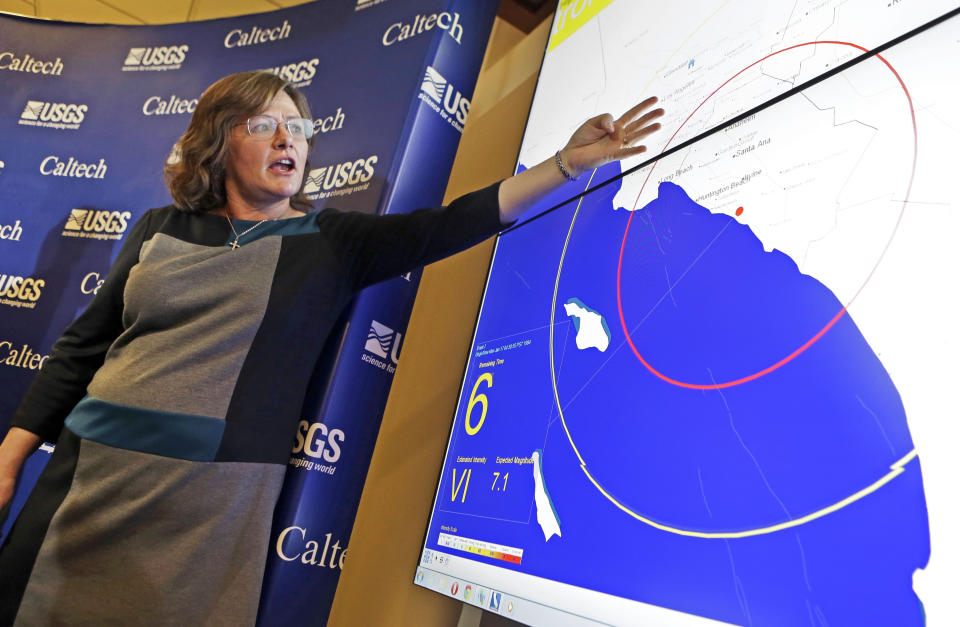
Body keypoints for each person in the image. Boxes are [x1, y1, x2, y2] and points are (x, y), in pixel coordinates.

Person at [0, 70, 663, 625]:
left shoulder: (332, 242)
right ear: (218, 141)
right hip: (84, 486)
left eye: (298, 127)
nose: (288, 139)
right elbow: (82, 348)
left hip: (207, 513)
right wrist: (10, 457)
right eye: (264, 125)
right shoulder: (157, 227)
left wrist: (565, 165)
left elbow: (455, 221)